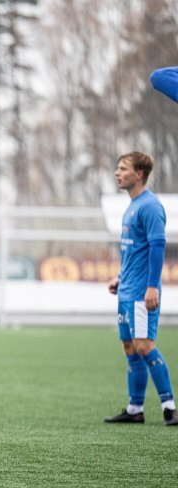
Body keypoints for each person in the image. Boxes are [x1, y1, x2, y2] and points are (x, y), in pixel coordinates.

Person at [104, 152, 177, 426]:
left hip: (141, 293)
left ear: (139, 174)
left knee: (145, 346)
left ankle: (170, 408)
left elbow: (157, 247)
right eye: (117, 168)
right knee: (130, 347)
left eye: (123, 168)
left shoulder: (150, 206)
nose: (117, 173)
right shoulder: (132, 206)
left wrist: (152, 287)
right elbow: (134, 251)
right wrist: (120, 277)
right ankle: (135, 409)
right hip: (127, 290)